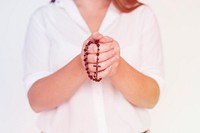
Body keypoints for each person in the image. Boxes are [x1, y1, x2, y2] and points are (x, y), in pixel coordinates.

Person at [23, 0, 164, 132]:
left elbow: (151, 98)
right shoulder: (44, 17)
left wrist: (115, 64)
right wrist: (82, 63)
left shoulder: (141, 15)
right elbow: (37, 101)